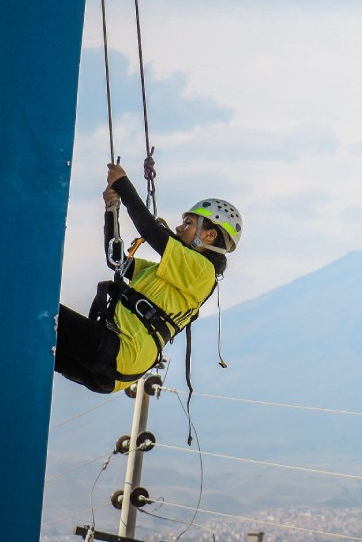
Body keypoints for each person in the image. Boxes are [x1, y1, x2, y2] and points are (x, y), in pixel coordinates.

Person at [54, 162, 242, 394]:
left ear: (210, 235)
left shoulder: (202, 271)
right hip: (115, 370)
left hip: (120, 351)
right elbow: (117, 261)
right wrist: (111, 208)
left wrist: (122, 183)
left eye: (189, 223)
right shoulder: (170, 272)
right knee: (32, 343)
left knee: (39, 310)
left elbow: (152, 232)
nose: (179, 227)